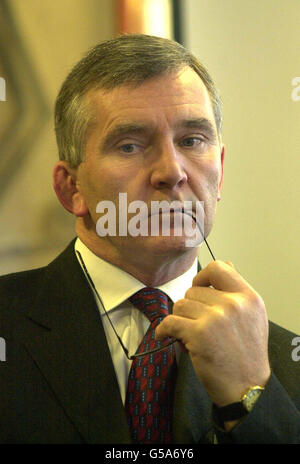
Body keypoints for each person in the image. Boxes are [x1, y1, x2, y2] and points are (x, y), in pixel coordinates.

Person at [0, 34, 299, 444]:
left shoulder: (283, 365)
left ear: (221, 173)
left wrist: (249, 399)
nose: (171, 172)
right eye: (130, 145)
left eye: (191, 140)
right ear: (72, 189)